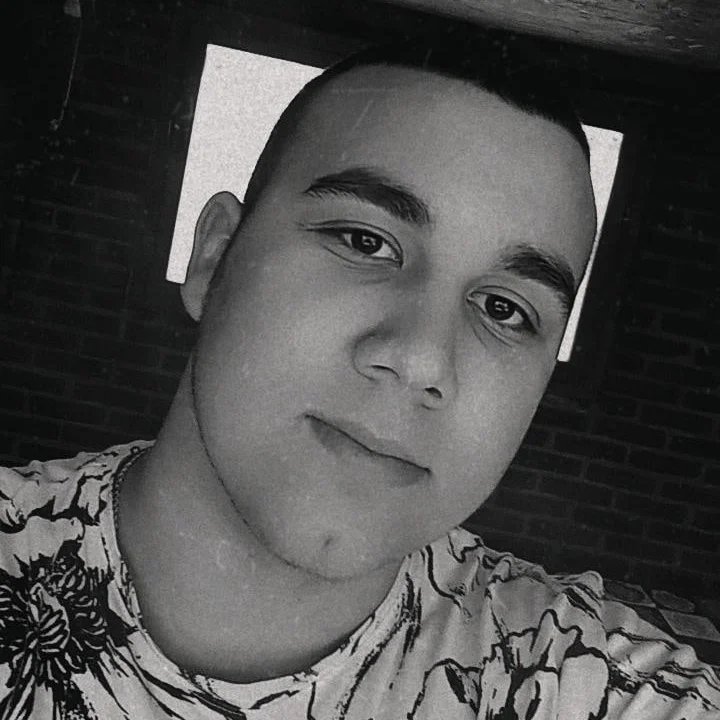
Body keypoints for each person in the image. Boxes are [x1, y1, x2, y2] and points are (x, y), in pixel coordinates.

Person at [1, 34, 718, 720]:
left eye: (504, 309)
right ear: (214, 257)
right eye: (365, 241)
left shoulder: (582, 685)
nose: (422, 359)